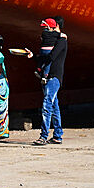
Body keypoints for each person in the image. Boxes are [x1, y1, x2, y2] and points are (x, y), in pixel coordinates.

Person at [30, 16, 67, 145]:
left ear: (55, 26)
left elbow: (51, 56)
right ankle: (57, 135)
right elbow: (45, 57)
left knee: (46, 105)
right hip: (49, 76)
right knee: (54, 106)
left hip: (54, 76)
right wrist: (33, 56)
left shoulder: (61, 41)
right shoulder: (54, 40)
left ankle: (43, 136)